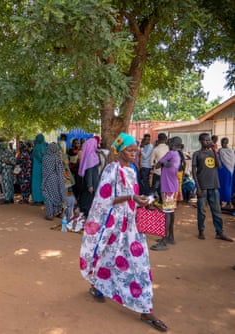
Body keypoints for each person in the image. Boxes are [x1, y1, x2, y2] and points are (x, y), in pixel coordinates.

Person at [79, 132, 168, 332]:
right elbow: (105, 198)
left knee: (139, 263)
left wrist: (141, 201)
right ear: (120, 151)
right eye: (129, 150)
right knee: (109, 257)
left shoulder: (132, 170)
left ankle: (145, 309)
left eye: (135, 151)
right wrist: (131, 198)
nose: (134, 154)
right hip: (115, 225)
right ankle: (97, 285)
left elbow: (132, 194)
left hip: (131, 225)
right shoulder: (112, 170)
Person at [192, 133, 233, 241]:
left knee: (217, 210)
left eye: (209, 140)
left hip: (214, 186)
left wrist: (214, 151)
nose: (208, 142)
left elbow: (219, 166)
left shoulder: (212, 153)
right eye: (206, 140)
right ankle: (201, 230)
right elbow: (194, 172)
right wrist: (198, 188)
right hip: (202, 187)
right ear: (200, 141)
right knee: (201, 211)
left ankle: (219, 232)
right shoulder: (197, 154)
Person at [150, 137, 182, 251]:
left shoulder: (170, 153)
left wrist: (163, 164)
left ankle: (164, 241)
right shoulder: (178, 155)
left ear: (173, 144)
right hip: (172, 187)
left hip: (168, 188)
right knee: (171, 212)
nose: (168, 143)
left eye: (170, 142)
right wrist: (165, 164)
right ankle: (170, 237)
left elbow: (158, 164)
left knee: (167, 213)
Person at [41, 142, 66, 220]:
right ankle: (57, 212)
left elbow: (43, 170)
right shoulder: (57, 157)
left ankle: (50, 214)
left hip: (47, 179)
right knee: (56, 195)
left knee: (48, 196)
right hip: (56, 179)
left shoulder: (45, 157)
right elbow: (60, 169)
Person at [78, 138, 100, 217]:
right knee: (88, 201)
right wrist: (90, 185)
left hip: (90, 182)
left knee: (87, 200)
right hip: (91, 184)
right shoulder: (91, 156)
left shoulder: (92, 155)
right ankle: (85, 216)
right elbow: (89, 172)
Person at [150, 133, 169, 203]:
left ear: (158, 139)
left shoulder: (155, 149)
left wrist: (153, 168)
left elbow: (151, 162)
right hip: (167, 171)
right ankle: (162, 201)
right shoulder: (169, 148)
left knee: (154, 187)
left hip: (158, 171)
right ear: (166, 139)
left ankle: (150, 201)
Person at [218, 137, 235, 209]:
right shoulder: (220, 150)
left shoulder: (231, 151)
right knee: (221, 186)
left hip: (229, 171)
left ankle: (228, 202)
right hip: (222, 171)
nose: (222, 144)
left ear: (227, 143)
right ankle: (220, 201)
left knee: (228, 186)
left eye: (224, 143)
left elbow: (232, 161)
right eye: (221, 143)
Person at [31, 134, 46, 206]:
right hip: (44, 168)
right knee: (42, 183)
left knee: (36, 184)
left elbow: (37, 157)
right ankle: (42, 199)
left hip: (37, 168)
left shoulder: (37, 147)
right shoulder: (45, 146)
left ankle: (37, 200)